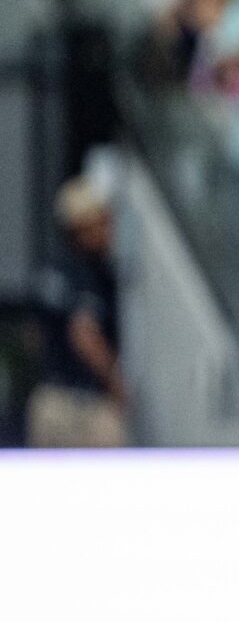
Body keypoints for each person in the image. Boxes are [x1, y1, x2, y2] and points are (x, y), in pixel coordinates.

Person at [28, 179, 126, 448]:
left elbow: (35, 335)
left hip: (49, 399)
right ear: (82, 228)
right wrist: (116, 383)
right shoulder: (86, 271)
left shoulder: (51, 268)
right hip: (86, 407)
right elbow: (84, 334)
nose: (109, 229)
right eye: (101, 222)